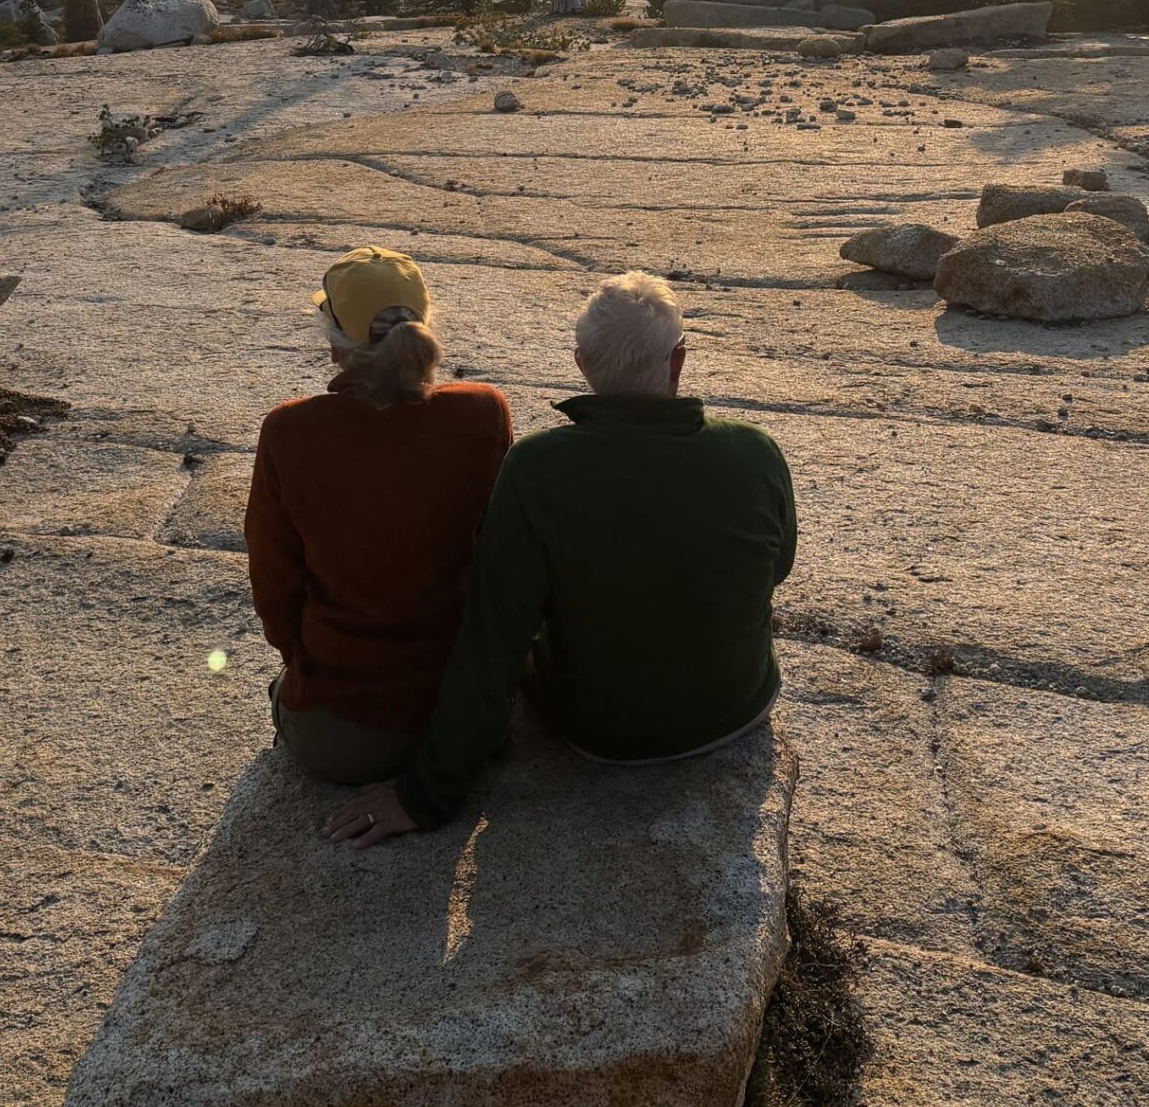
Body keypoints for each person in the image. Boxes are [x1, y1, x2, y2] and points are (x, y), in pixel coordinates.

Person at [321, 269, 795, 847]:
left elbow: (494, 639)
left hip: (602, 733)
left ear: (581, 363)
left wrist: (425, 793)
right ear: (678, 361)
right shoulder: (754, 451)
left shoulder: (538, 467)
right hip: (739, 708)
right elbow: (777, 568)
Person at [243, 245, 512, 786]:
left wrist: (302, 668)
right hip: (467, 717)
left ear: (335, 345)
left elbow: (275, 590)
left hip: (342, 739)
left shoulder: (290, 432)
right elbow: (503, 556)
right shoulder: (483, 411)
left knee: (280, 694)